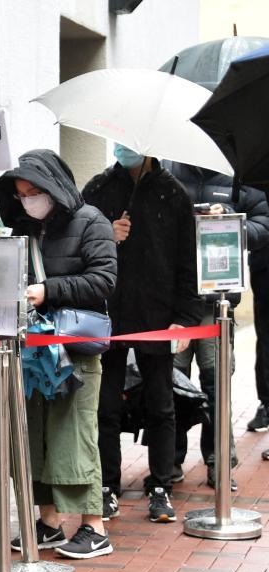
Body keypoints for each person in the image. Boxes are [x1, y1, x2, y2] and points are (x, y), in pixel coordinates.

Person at [0, 150, 117, 558]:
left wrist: (49, 290)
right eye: (21, 194)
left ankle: (94, 527)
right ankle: (49, 523)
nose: (28, 200)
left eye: (34, 192)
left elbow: (103, 280)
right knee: (39, 436)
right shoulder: (25, 228)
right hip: (36, 350)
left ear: (54, 186)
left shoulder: (92, 221)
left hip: (75, 346)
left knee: (75, 434)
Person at [82, 144, 202, 524]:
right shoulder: (98, 188)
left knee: (161, 404)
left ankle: (161, 485)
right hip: (109, 315)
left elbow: (187, 263)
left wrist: (184, 317)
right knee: (105, 406)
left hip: (158, 314)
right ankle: (107, 486)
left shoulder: (173, 193)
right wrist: (107, 235)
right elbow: (78, 247)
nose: (124, 148)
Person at [162, 161, 269, 487]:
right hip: (174, 303)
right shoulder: (167, 171)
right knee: (172, 383)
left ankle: (219, 462)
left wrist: (229, 221)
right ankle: (169, 461)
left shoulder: (238, 175)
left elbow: (263, 224)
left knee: (217, 382)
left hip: (216, 302)